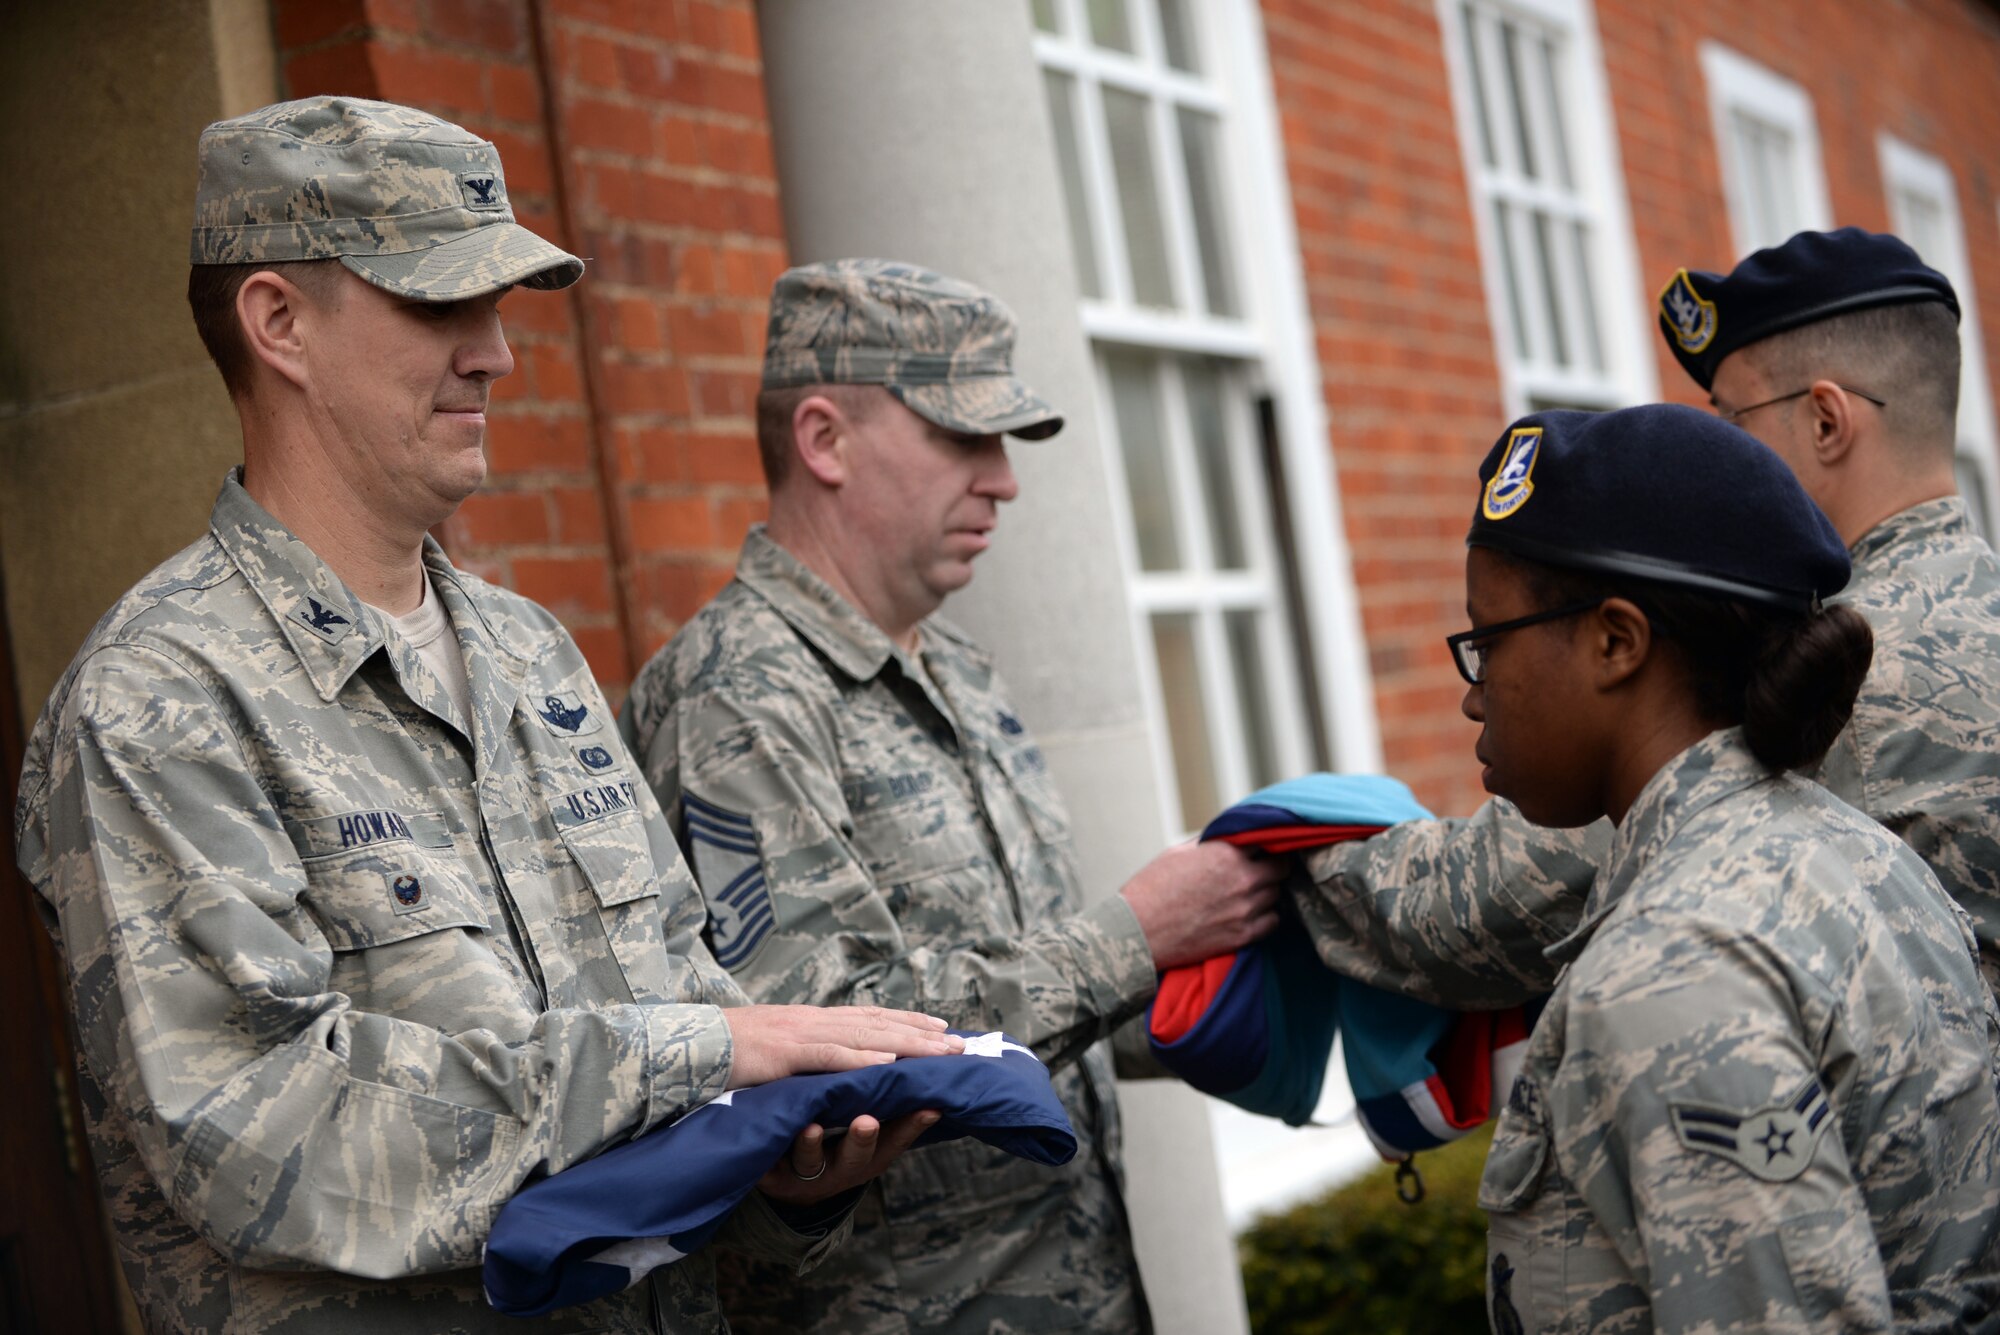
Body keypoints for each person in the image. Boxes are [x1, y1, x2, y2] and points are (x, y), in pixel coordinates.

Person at [15, 97, 958, 1335]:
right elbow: (252, 1128)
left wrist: (782, 1164)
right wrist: (692, 1060)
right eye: (437, 302)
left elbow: (684, 989)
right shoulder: (161, 695)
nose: (496, 354)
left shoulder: (530, 652)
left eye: (495, 306)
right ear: (279, 321)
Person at [619, 258, 1285, 1332]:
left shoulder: (955, 670)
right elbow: (816, 1054)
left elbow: (1027, 1018)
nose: (1003, 479)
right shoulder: (733, 696)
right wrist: (1132, 936)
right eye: (960, 437)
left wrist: (1255, 980)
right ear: (823, 439)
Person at [1293, 228, 2000, 1005]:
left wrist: (1277, 866)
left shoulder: (1838, 664)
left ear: (1827, 422)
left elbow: (1492, 903)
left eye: (1732, 420)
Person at [1449, 404, 2000, 1331]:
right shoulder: (1848, 850)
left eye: (1486, 640)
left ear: (1617, 641)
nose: (1472, 693)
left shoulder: (1669, 971)